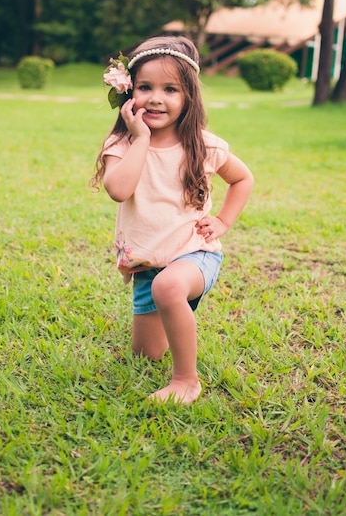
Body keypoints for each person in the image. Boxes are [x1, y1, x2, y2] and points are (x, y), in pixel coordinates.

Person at [92, 35, 254, 404]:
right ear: (128, 92)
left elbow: (243, 179)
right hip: (147, 263)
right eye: (145, 87)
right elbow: (118, 189)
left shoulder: (203, 144)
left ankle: (186, 380)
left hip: (194, 253)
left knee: (169, 288)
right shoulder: (122, 146)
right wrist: (141, 139)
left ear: (188, 98)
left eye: (170, 89)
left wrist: (224, 221)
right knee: (146, 352)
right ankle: (176, 315)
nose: (156, 98)